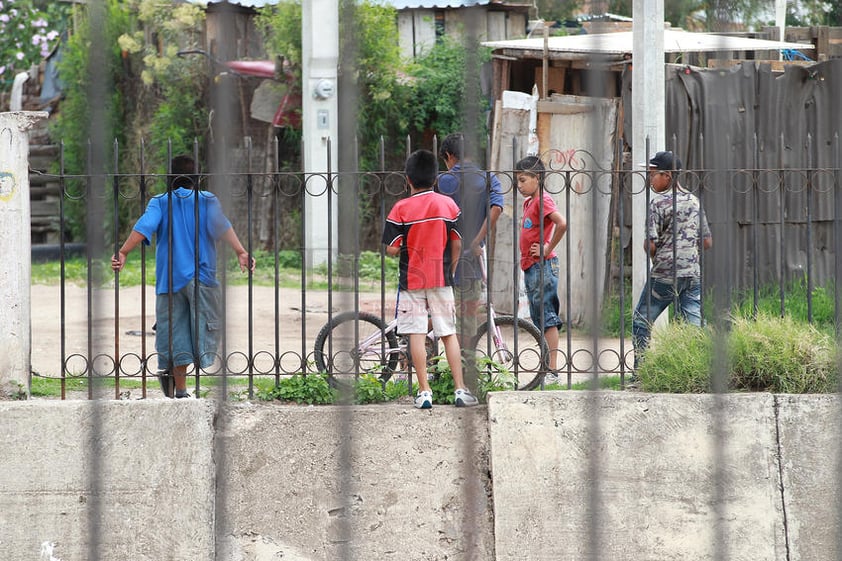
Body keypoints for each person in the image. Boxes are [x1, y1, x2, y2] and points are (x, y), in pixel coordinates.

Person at [111, 155, 255, 398]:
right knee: (205, 327)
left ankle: (180, 389)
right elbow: (222, 226)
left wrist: (123, 252)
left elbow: (143, 226)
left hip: (170, 279)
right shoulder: (207, 200)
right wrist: (240, 251)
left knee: (176, 333)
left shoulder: (160, 202)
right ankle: (196, 370)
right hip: (203, 276)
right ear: (196, 178)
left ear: (170, 177)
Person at [382, 149, 479, 409]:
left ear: (408, 180)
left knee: (415, 332)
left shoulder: (400, 208)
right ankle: (460, 389)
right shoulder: (448, 205)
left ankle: (424, 391)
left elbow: (391, 248)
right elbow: (457, 242)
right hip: (441, 276)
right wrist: (451, 267)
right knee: (448, 333)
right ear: (436, 178)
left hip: (412, 280)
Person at [632, 150, 712, 371]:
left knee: (641, 320)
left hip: (664, 275)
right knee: (693, 323)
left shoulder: (658, 204)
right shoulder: (695, 202)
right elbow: (707, 242)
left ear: (667, 176)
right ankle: (697, 370)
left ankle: (641, 371)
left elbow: (650, 243)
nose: (650, 179)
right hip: (692, 274)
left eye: (653, 174)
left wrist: (657, 256)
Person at [437, 132, 504, 347]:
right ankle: (462, 369)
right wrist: (477, 240)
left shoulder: (442, 180)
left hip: (441, 260)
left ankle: (433, 365)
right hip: (471, 263)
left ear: (448, 155)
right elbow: (496, 208)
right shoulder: (488, 178)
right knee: (466, 321)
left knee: (437, 315)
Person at [515, 156, 567, 377]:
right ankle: (547, 364)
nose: (519, 185)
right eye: (517, 181)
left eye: (523, 180)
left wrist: (546, 247)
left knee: (546, 316)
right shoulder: (530, 202)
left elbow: (562, 223)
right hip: (532, 266)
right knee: (539, 317)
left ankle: (552, 368)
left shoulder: (543, 200)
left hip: (542, 266)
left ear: (538, 178)